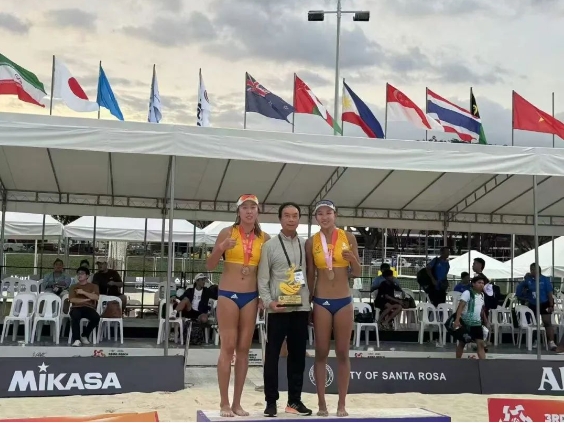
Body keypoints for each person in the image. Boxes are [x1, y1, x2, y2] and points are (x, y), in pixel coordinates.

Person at [206, 194, 270, 417]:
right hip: (228, 294)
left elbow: (266, 272)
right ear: (238, 211)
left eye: (253, 207)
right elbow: (210, 265)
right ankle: (224, 403)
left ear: (258, 211)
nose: (249, 211)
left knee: (244, 350)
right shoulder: (227, 232)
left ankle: (237, 403)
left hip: (251, 296)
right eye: (245, 208)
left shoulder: (265, 238)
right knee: (228, 347)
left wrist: (263, 296)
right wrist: (221, 247)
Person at [305, 200, 361, 417]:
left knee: (343, 352)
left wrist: (353, 259)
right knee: (321, 352)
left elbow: (357, 272)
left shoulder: (348, 237)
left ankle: (342, 404)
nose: (324, 217)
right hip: (321, 300)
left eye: (328, 212)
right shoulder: (311, 242)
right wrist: (308, 301)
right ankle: (321, 403)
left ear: (335, 215)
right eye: (320, 213)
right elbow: (311, 273)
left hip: (343, 300)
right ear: (316, 218)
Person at [258, 202, 312, 418]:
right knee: (272, 356)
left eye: (295, 215)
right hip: (277, 309)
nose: (291, 219)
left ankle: (294, 401)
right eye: (287, 215)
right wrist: (269, 302)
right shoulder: (269, 246)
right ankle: (271, 402)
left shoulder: (305, 244)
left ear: (299, 219)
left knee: (298, 356)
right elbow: (263, 279)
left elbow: (309, 274)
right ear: (280, 219)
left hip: (301, 307)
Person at [516, 263, 556, 351]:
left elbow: (550, 294)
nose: (532, 271)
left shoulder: (545, 280)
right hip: (533, 304)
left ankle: (551, 342)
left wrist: (551, 305)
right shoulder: (528, 280)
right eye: (531, 269)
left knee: (547, 322)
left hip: (544, 303)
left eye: (533, 269)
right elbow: (519, 291)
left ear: (538, 270)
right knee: (534, 323)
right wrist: (525, 281)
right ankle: (535, 340)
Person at [453, 275, 488, 359]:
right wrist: (457, 320)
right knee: (462, 343)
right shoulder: (467, 293)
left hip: (477, 324)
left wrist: (486, 320)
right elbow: (461, 306)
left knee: (480, 344)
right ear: (473, 284)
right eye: (479, 283)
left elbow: (482, 309)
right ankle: (457, 361)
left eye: (482, 283)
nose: (481, 285)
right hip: (466, 323)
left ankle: (483, 363)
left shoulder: (482, 295)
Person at [68, 266, 100, 347]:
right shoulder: (73, 286)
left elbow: (96, 297)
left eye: (82, 273)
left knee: (96, 317)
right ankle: (76, 339)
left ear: (87, 276)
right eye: (78, 273)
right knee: (75, 315)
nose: (79, 275)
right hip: (76, 307)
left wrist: (83, 292)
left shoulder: (94, 286)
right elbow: (72, 300)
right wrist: (87, 299)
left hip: (89, 308)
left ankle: (84, 335)